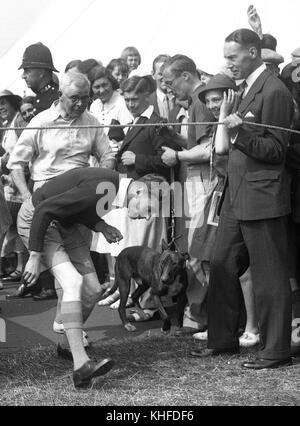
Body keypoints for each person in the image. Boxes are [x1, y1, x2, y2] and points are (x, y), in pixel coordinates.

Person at [191, 29, 294, 370]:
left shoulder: (274, 90)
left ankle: (275, 349)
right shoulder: (245, 90)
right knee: (221, 264)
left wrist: (238, 132)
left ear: (253, 52)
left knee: (268, 276)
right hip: (237, 194)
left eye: (232, 57)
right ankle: (222, 341)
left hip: (263, 197)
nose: (228, 63)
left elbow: (276, 150)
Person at [20, 167, 122, 387]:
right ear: (139, 193)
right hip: (38, 220)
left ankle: (67, 338)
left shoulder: (110, 185)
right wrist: (35, 255)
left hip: (63, 223)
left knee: (93, 289)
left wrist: (101, 226)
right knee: (73, 282)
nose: (145, 214)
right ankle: (81, 365)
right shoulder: (107, 185)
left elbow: (76, 208)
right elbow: (45, 210)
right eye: (149, 207)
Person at [161, 54, 215, 335]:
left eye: (170, 82)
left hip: (203, 182)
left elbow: (209, 149)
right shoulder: (195, 103)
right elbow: (198, 141)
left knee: (199, 252)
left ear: (185, 75)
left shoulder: (200, 104)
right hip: (196, 181)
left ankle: (201, 316)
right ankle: (199, 314)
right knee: (196, 251)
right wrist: (176, 138)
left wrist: (178, 154)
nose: (169, 89)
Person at [0, 90, 27, 284]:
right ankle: (18, 266)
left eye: (4, 102)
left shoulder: (19, 122)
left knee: (16, 226)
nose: (1, 107)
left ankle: (19, 266)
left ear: (12, 103)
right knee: (12, 227)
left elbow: (24, 152)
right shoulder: (7, 125)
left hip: (19, 181)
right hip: (9, 182)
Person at [19, 42, 59, 116]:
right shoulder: (41, 98)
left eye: (27, 71)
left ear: (41, 72)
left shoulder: (57, 98)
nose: (23, 76)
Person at [148, 54, 175, 121]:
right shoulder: (147, 103)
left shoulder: (183, 101)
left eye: (168, 73)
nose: (165, 78)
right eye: (160, 74)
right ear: (153, 74)